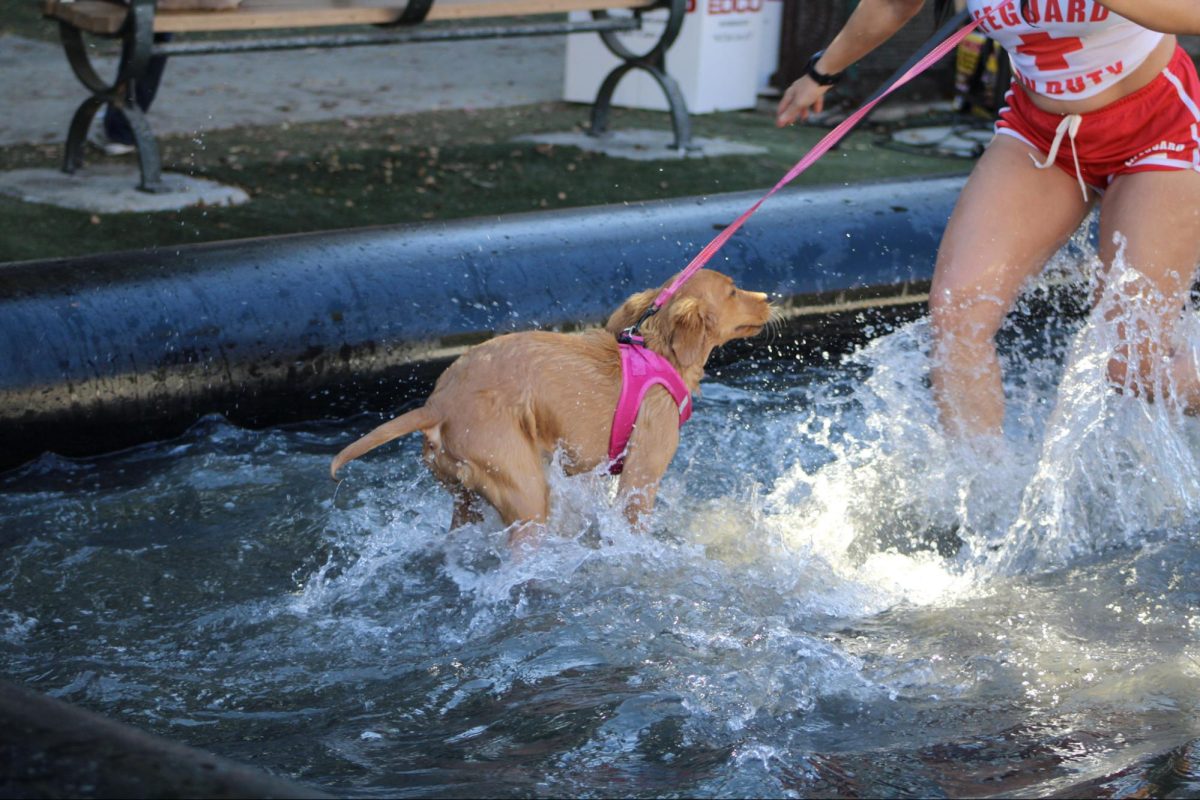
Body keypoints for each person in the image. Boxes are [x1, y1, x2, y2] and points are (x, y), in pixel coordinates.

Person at [775, 0, 1200, 442]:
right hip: (1040, 133)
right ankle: (980, 495)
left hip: (1160, 128)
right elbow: (891, 4)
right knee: (957, 317)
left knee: (1132, 367)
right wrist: (820, 74)